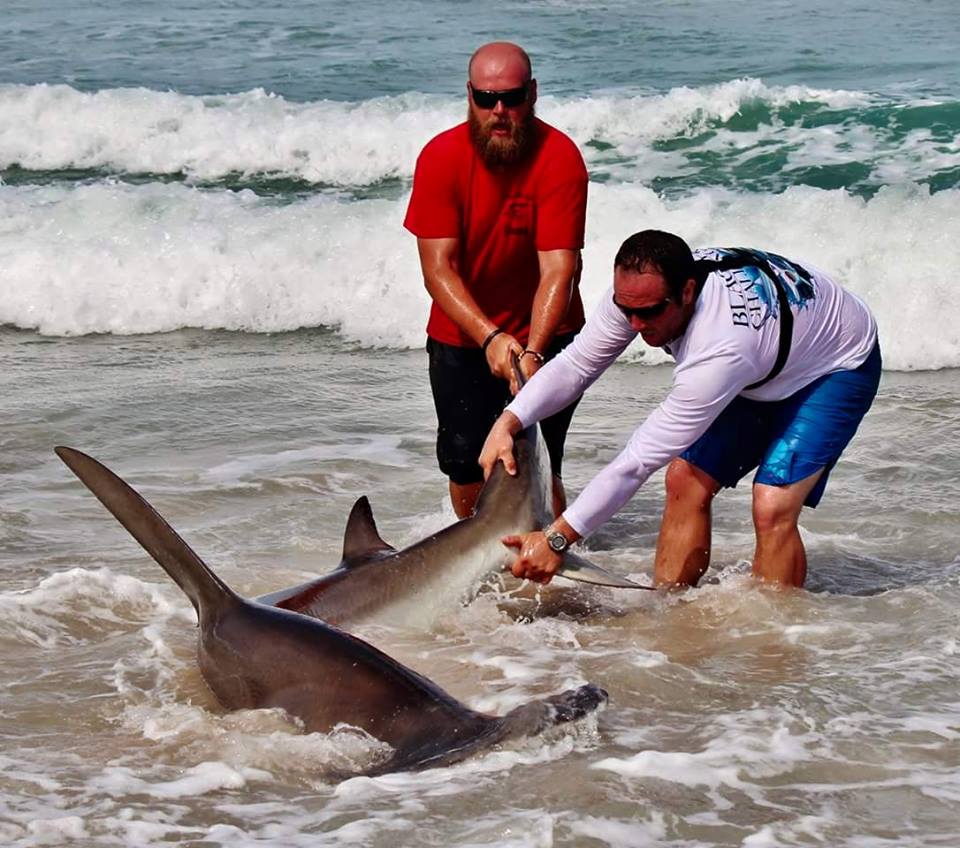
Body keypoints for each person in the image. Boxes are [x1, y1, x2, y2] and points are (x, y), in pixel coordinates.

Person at [480, 229, 881, 589]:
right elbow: (578, 364)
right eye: (626, 310)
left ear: (687, 292)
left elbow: (636, 462)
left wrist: (556, 539)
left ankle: (772, 642)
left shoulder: (720, 349)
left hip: (835, 367)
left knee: (772, 504)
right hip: (771, 357)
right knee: (684, 480)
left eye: (649, 313)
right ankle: (667, 610)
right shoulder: (640, 294)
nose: (635, 324)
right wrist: (509, 419)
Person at [404, 41, 588, 519]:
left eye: (511, 97)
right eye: (486, 99)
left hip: (549, 336)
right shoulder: (441, 157)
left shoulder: (560, 157)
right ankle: (479, 572)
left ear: (532, 93)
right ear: (469, 95)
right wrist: (488, 337)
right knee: (466, 465)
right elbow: (437, 268)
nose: (499, 111)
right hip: (462, 336)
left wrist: (531, 351)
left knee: (540, 462)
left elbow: (559, 269)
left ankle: (549, 565)